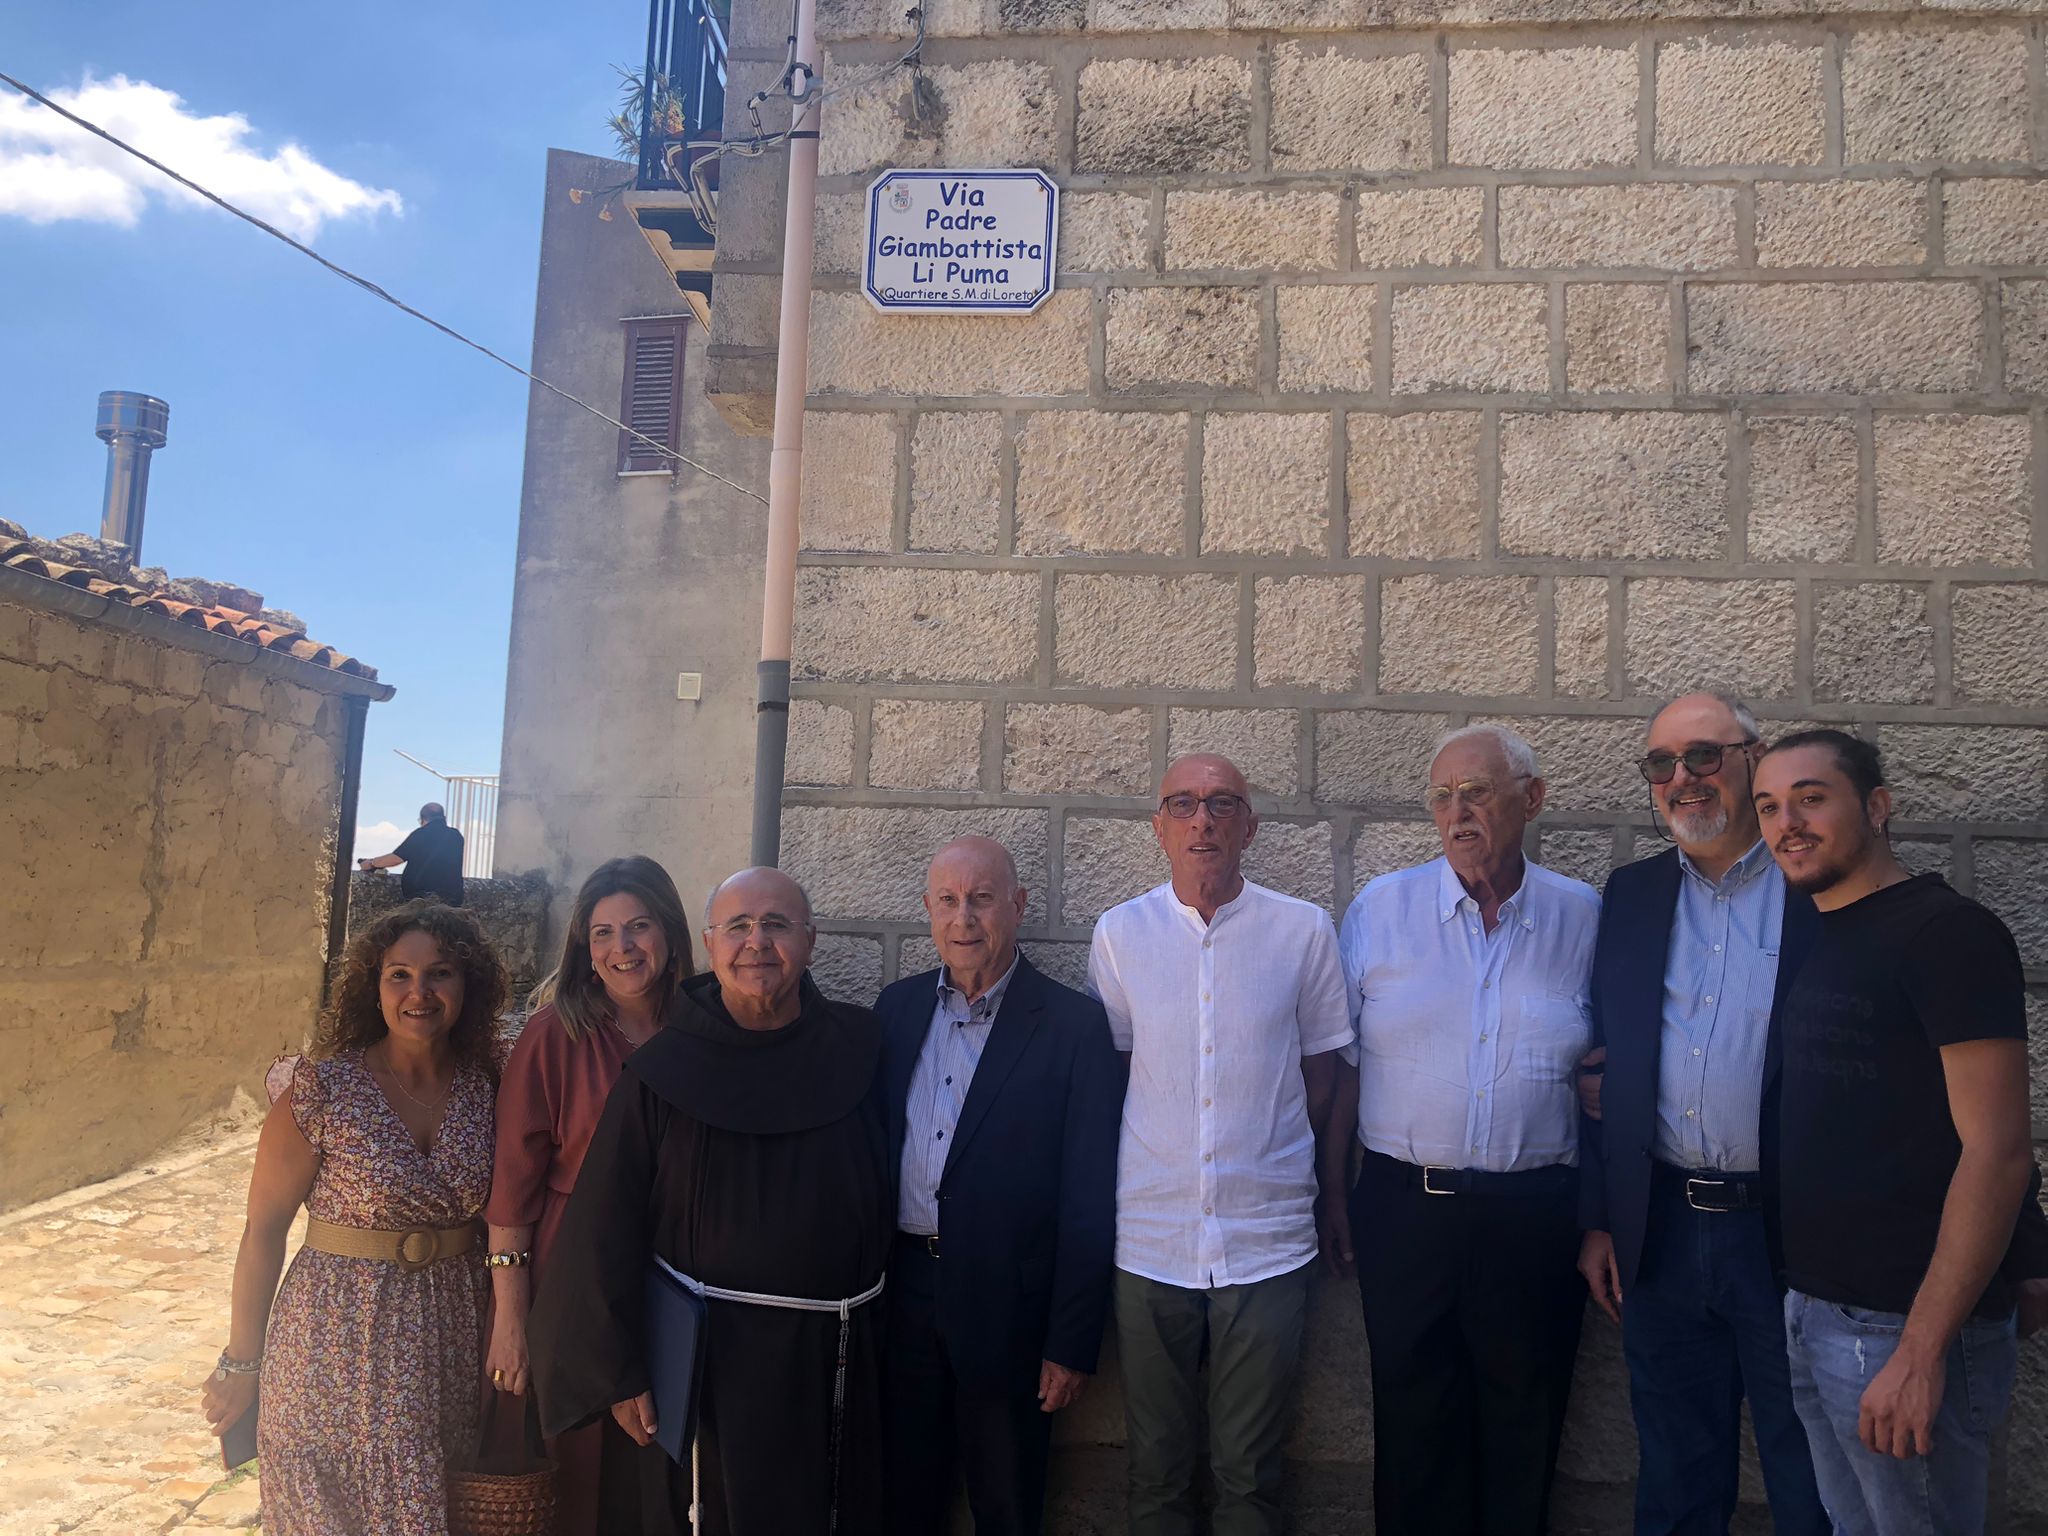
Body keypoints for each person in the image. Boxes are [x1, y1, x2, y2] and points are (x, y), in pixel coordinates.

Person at [528, 866, 893, 1535]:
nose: (757, 942)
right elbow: (603, 1228)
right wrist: (621, 1371)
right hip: (704, 1369)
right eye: (738, 927)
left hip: (837, 1356)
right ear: (709, 943)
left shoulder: (863, 1048)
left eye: (776, 924)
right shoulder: (661, 1071)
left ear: (810, 941)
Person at [1754, 731, 2035, 1536]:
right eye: (1768, 807)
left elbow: (1998, 1149)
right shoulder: (1825, 929)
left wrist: (1920, 1351)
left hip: (1902, 1328)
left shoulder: (1947, 934)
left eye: (1811, 798)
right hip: (1816, 1310)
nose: (1786, 824)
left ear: (1877, 807)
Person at [1328, 723, 1599, 1536]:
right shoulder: (1382, 910)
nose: (1458, 812)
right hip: (1404, 1209)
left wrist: (1603, 1215)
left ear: (1531, 799)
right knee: (1413, 1429)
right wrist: (1333, 1192)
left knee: (1524, 1426)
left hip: (1536, 1215)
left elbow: (1612, 1071)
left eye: (1477, 792)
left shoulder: (1583, 917)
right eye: (1443, 797)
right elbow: (1343, 1066)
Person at [1573, 693, 1831, 1536]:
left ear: (1755, 756)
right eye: (1662, 763)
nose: (1682, 778)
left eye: (1704, 756)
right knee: (1676, 1480)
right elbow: (1605, 1056)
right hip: (1663, 1234)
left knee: (1811, 1481)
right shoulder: (1633, 893)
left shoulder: (1818, 886)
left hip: (1792, 1237)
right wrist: (1603, 1219)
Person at [1088, 753, 1351, 1536]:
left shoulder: (1302, 931)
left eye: (1222, 803)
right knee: (1156, 1470)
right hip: (1150, 1239)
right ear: (1159, 828)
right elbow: (1119, 1075)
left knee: (1250, 1474)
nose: (1202, 820)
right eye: (1183, 804)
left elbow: (1325, 1076)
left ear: (1250, 826)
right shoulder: (1120, 934)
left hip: (1266, 1239)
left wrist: (1314, 1183)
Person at [198, 901, 508, 1536]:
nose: (419, 992)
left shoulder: (489, 1088)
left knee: (426, 1503)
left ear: (467, 984)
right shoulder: (323, 1090)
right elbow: (263, 1232)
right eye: (399, 975)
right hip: (332, 1341)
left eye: (440, 973)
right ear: (374, 986)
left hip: (447, 1341)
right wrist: (241, 1364)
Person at [874, 835, 1122, 1536]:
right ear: (927, 909)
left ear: (1017, 905)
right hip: (904, 1299)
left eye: (982, 899)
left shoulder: (1073, 1027)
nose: (964, 919)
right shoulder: (894, 1012)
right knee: (903, 1502)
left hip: (1011, 1308)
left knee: (1007, 1505)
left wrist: (1071, 1340)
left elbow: (1089, 1195)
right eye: (948, 901)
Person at [485, 855, 697, 1534]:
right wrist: (511, 1321)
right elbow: (512, 1194)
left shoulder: (704, 1028)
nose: (621, 947)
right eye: (603, 932)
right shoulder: (555, 1035)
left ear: (670, 932)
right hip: (574, 1275)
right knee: (582, 1471)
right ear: (584, 945)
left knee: (664, 1467)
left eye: (638, 926)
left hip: (678, 1273)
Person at [359, 802, 467, 907]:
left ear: (423, 819)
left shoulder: (421, 834)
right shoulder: (456, 836)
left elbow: (396, 858)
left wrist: (371, 863)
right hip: (453, 899)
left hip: (424, 899)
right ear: (444, 818)